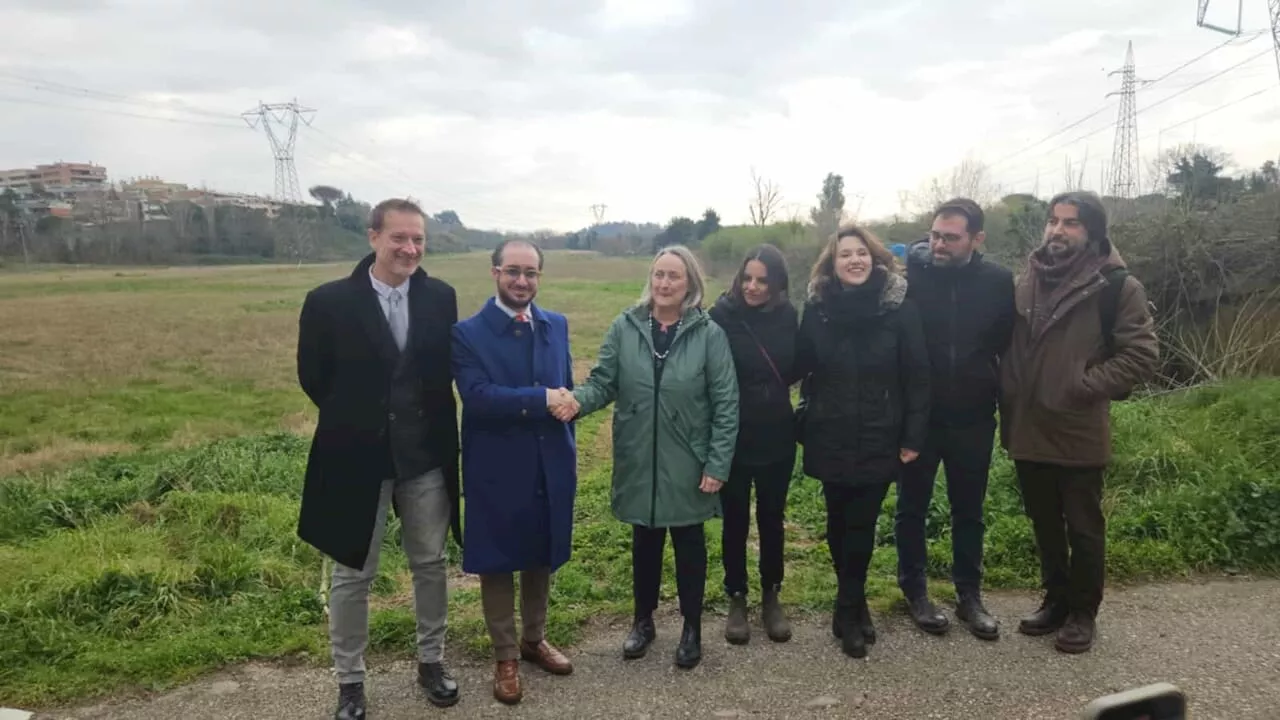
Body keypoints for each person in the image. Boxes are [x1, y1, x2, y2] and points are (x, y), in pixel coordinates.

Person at [296, 198, 463, 719]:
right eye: (399, 238)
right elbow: (314, 377)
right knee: (352, 573)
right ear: (373, 237)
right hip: (355, 461)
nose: (410, 249)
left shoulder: (441, 297)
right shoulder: (327, 302)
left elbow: (440, 374)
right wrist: (361, 421)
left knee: (431, 564)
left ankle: (430, 661)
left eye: (418, 239)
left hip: (425, 456)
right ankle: (350, 680)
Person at [553, 244, 739, 670]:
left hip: (689, 460)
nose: (664, 283)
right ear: (650, 279)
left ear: (690, 282)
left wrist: (717, 463)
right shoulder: (626, 326)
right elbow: (603, 382)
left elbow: (726, 404)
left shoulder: (709, 334)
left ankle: (692, 628)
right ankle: (644, 621)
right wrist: (576, 401)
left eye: (674, 276)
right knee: (645, 543)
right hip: (640, 456)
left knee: (690, 544)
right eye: (659, 274)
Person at [1000, 191, 1158, 654]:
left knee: (1083, 527)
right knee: (1044, 522)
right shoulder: (1027, 278)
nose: (1057, 231)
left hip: (1077, 427)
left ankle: (1083, 613)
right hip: (1026, 425)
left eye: (1070, 223)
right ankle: (1056, 599)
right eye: (1053, 221)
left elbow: (1142, 355)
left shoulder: (1116, 287)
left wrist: (1079, 385)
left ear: (1092, 232)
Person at [794, 225, 930, 659]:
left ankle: (846, 610)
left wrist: (912, 435)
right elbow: (800, 363)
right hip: (828, 431)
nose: (854, 260)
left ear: (874, 258)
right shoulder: (817, 309)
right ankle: (853, 604)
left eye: (861, 253)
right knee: (837, 522)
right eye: (844, 254)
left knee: (862, 525)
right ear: (831, 264)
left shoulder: (899, 307)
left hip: (880, 433)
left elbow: (918, 376)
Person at [450, 240, 577, 705]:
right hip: (497, 466)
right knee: (499, 560)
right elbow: (478, 397)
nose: (522, 281)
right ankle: (505, 654)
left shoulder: (556, 325)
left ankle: (534, 638)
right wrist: (543, 398)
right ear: (494, 273)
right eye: (512, 272)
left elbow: (566, 384)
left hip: (549, 460)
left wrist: (570, 402)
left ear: (539, 277)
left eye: (531, 273)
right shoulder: (467, 333)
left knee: (541, 552)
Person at [894, 198, 1015, 641]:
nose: (939, 244)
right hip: (918, 418)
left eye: (951, 237)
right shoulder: (911, 276)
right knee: (911, 508)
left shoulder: (999, 282)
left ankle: (970, 596)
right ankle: (915, 592)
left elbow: (1004, 342)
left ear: (977, 239)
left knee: (970, 510)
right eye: (935, 235)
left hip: (973, 416)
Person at [707, 244, 799, 645]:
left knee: (772, 519)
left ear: (777, 282)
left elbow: (801, 366)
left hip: (778, 433)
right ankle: (737, 596)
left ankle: (771, 595)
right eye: (747, 278)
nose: (753, 286)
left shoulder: (789, 317)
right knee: (735, 522)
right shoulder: (720, 317)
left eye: (762, 280)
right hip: (733, 436)